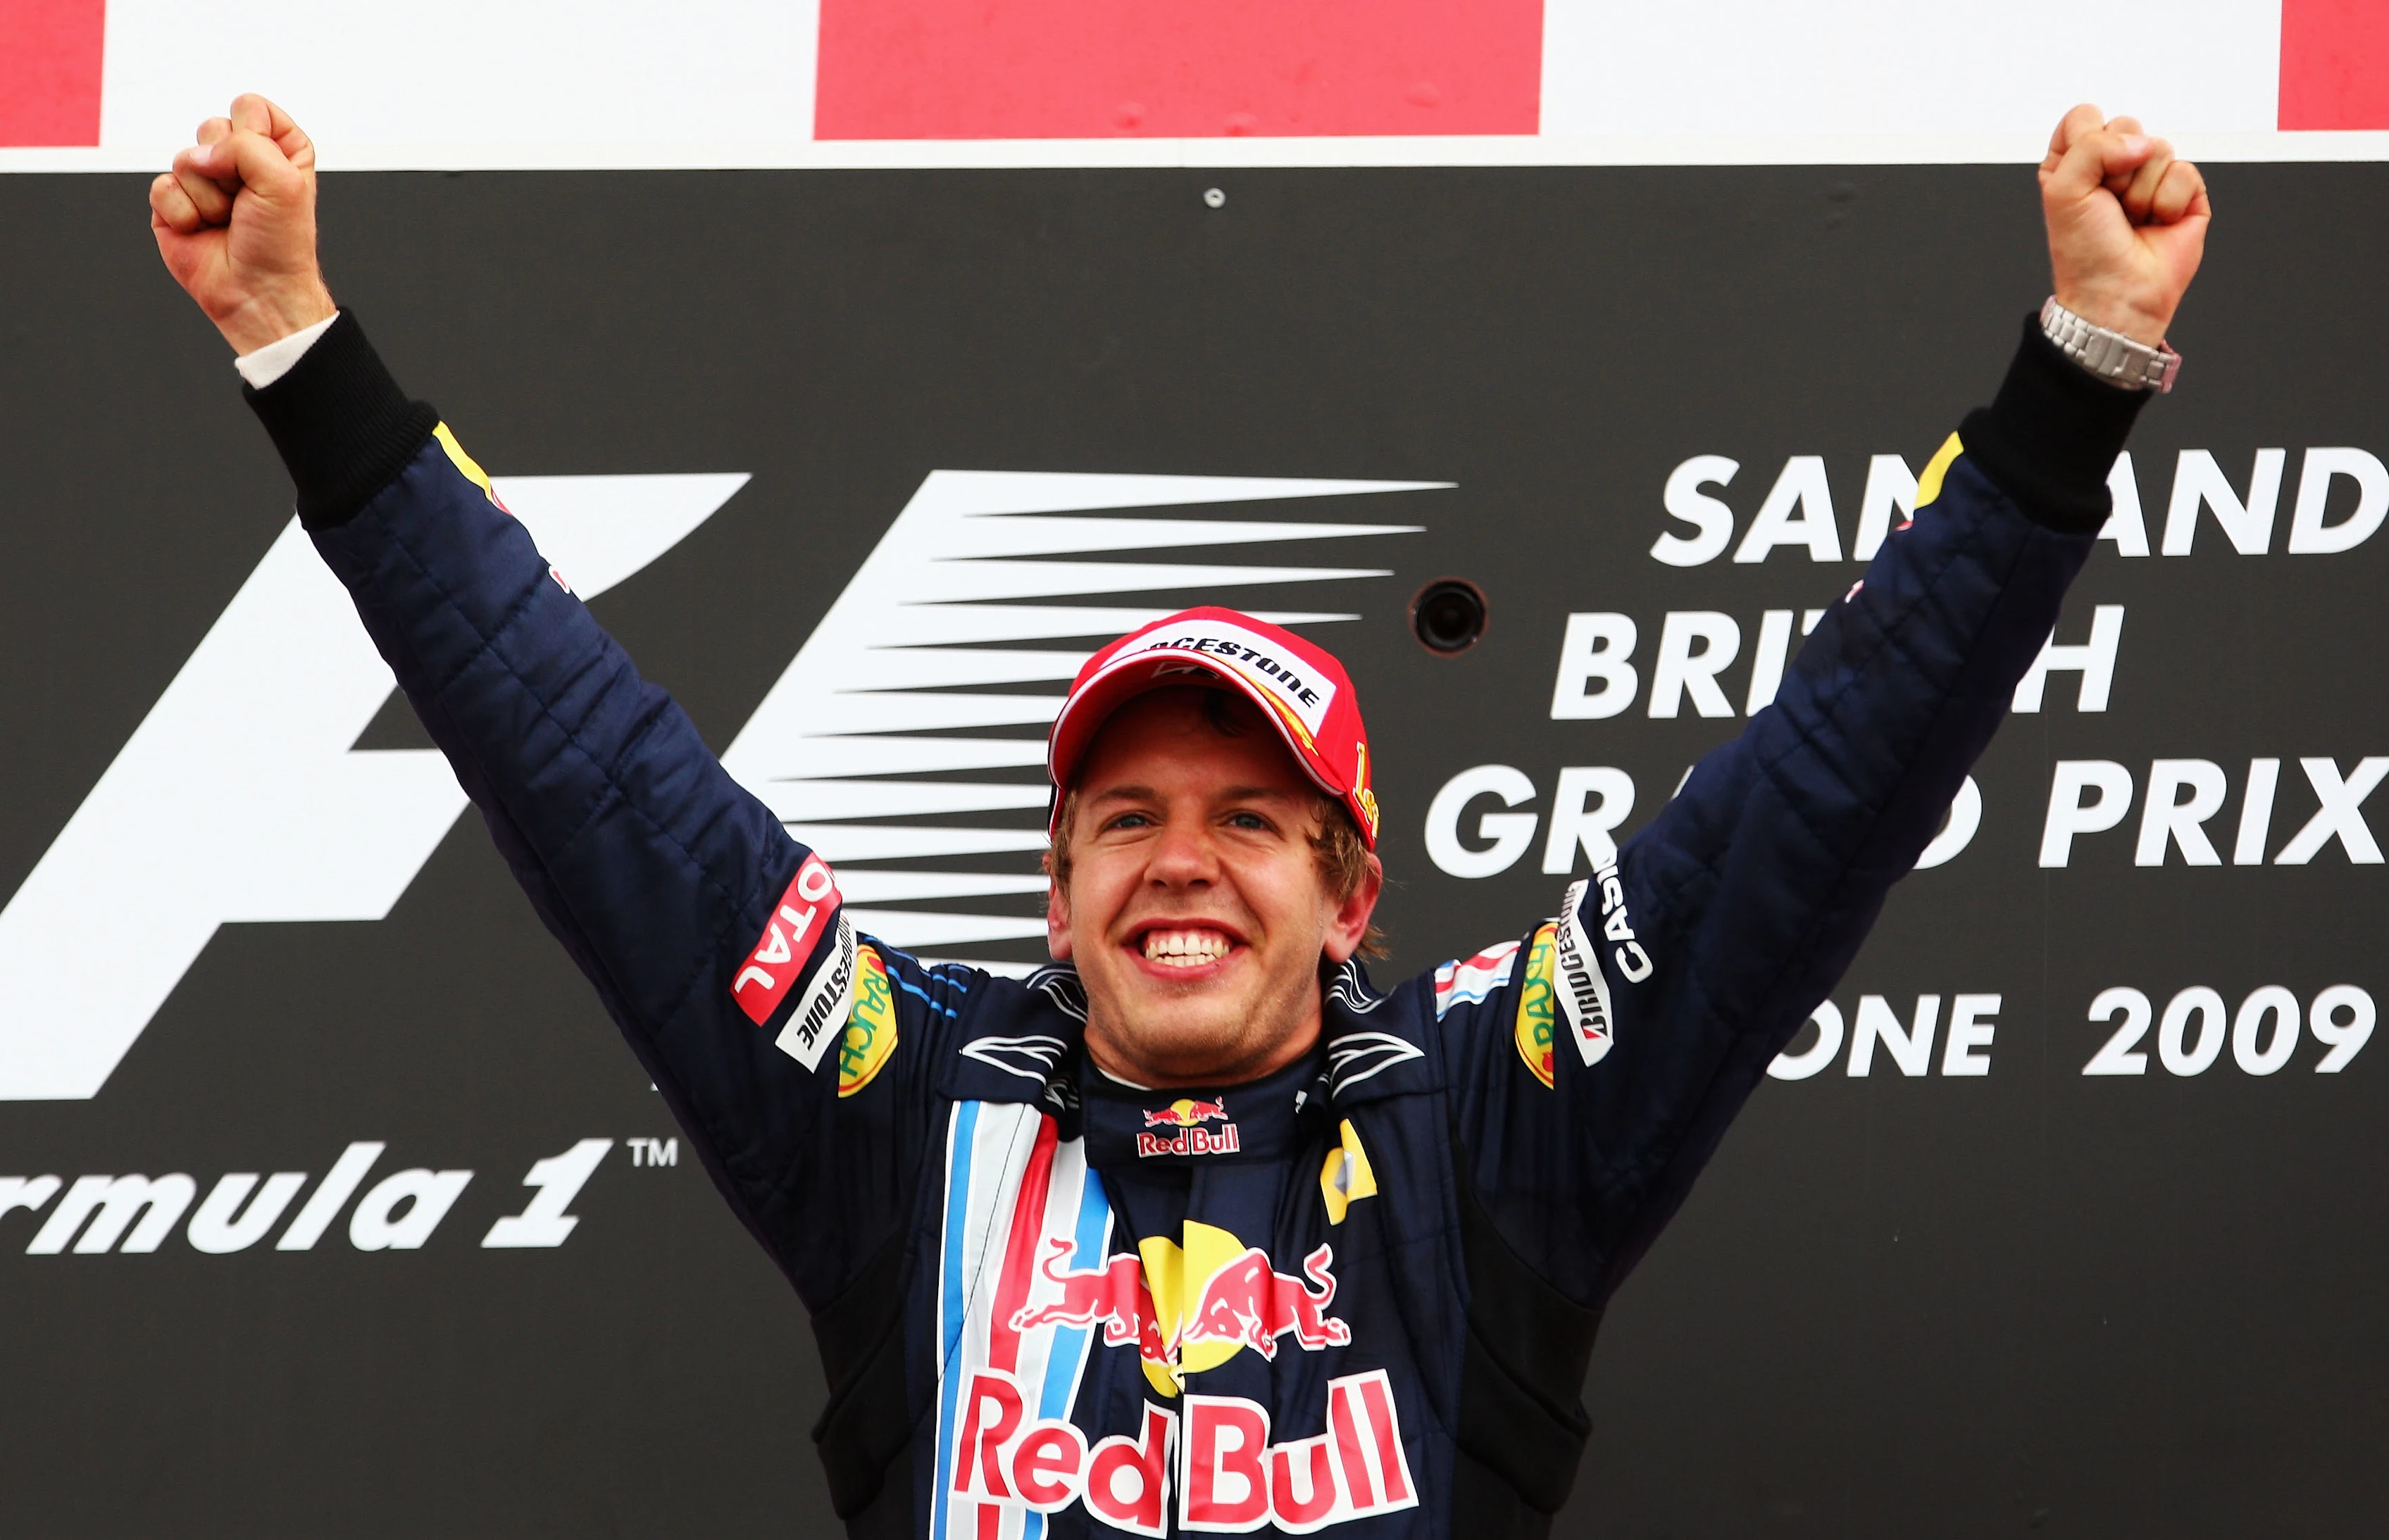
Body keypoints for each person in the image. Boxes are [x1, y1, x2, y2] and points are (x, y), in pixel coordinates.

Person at [149, 97, 2209, 1538]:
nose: (1183, 862)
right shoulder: (906, 1104)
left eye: (1253, 817)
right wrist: (298, 352)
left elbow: (1820, 790)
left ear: (1348, 889)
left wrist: (2079, 374)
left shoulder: (1489, 1113)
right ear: (1059, 896)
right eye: (1124, 818)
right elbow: (589, 770)